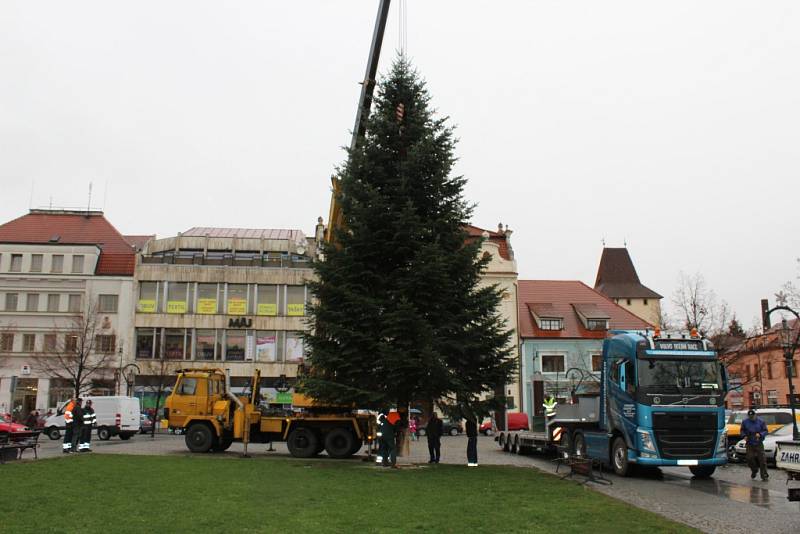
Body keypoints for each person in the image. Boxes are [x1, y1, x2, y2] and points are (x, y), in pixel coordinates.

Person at [740, 408, 769, 481]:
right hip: (749, 442)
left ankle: (764, 475)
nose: (751, 418)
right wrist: (744, 436)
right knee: (749, 458)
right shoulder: (745, 422)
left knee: (762, 460)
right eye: (750, 417)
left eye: (752, 416)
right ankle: (754, 470)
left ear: (755, 415)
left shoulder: (761, 421)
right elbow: (742, 430)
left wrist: (760, 434)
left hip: (758, 442)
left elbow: (765, 431)